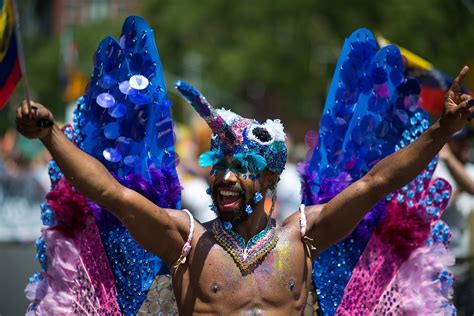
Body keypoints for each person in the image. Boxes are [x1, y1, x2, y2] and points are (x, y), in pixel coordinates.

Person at [15, 63, 473, 314]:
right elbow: (111, 194)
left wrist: (440, 133)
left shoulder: (303, 236)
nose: (226, 177)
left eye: (243, 167)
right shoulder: (185, 241)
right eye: (219, 166)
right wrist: (51, 134)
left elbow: (377, 182)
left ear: (270, 178)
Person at [437, 127, 474, 314]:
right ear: (448, 143)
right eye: (459, 141)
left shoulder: (471, 169)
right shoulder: (438, 171)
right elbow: (438, 205)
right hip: (443, 264)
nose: (465, 145)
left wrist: (451, 160)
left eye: (466, 140)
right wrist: (446, 159)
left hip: (467, 262)